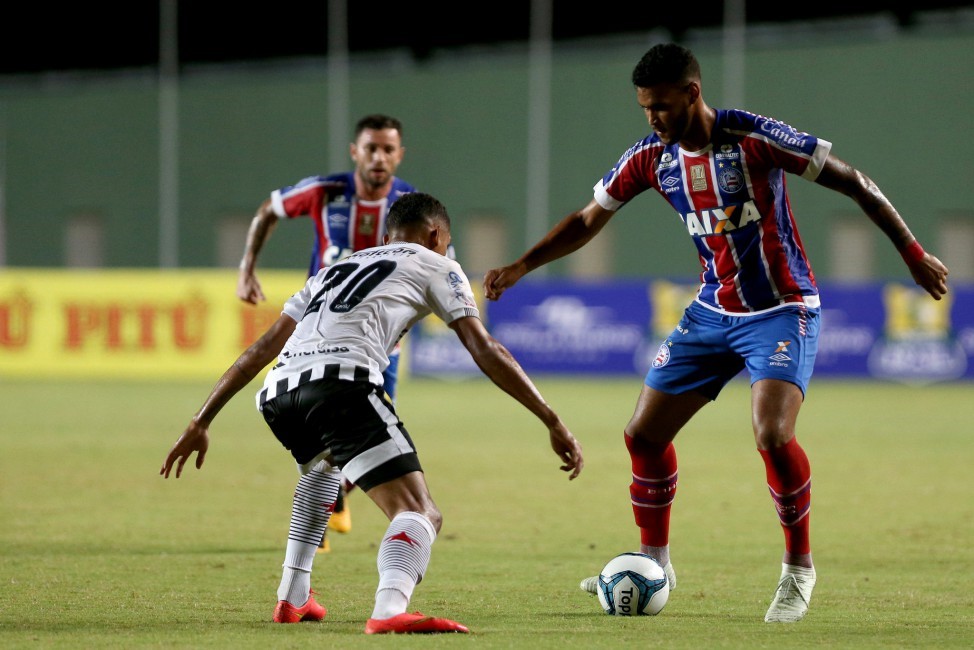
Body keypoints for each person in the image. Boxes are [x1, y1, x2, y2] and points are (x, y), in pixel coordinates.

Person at [483, 43, 948, 623]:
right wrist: (520, 267)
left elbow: (854, 180)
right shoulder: (652, 158)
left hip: (783, 309)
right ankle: (655, 564)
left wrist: (912, 252)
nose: (651, 118)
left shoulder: (754, 138)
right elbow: (585, 220)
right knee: (642, 436)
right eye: (644, 108)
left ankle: (798, 571)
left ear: (691, 94)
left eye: (659, 106)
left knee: (772, 435)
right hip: (710, 313)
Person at [162, 192, 584, 634]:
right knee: (421, 511)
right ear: (437, 235)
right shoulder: (438, 263)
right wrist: (551, 419)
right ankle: (389, 609)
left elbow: (262, 349)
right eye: (446, 242)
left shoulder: (333, 269)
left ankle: (292, 596)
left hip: (278, 393)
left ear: (385, 236)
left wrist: (201, 420)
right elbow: (484, 347)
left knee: (322, 469)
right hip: (340, 384)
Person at [236, 113, 417, 551]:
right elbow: (268, 210)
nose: (379, 157)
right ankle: (320, 514)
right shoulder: (325, 193)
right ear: (355, 152)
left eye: (387, 149)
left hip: (379, 346)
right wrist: (247, 268)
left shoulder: (410, 202)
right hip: (316, 339)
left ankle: (331, 499)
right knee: (327, 435)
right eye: (370, 148)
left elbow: (430, 264)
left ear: (399, 155)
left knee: (358, 440)